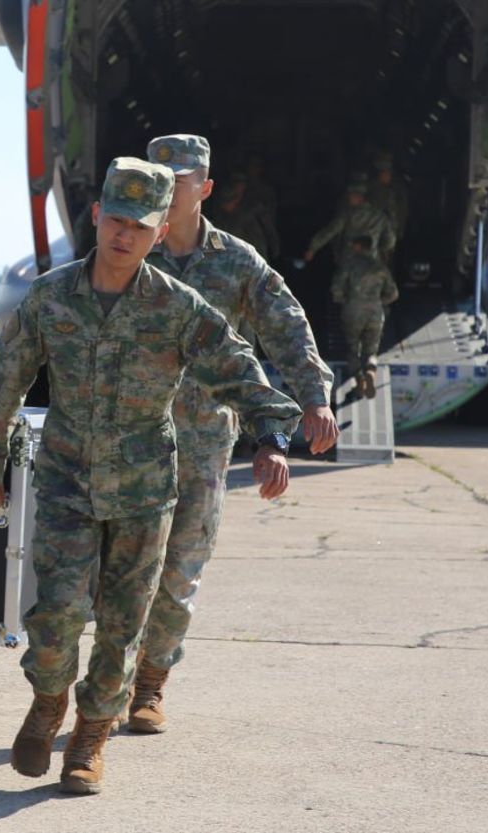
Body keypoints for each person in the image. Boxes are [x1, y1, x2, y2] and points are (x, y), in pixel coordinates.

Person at [0, 158, 302, 795]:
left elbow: (237, 367)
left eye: (141, 226)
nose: (125, 235)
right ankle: (48, 701)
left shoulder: (178, 307)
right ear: (97, 216)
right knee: (56, 614)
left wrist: (271, 436)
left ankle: (90, 738)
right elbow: (2, 384)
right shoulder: (51, 297)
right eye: (116, 220)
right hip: (65, 481)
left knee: (123, 623)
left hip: (146, 491)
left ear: (159, 229)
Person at [133, 134, 337, 735]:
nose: (172, 188)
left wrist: (314, 398)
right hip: (128, 439)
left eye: (184, 178)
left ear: (207, 187)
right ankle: (108, 681)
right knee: (118, 571)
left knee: (179, 571)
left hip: (202, 443)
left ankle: (149, 685)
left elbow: (286, 326)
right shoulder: (125, 251)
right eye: (161, 177)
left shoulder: (236, 261)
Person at [332, 235, 400, 398]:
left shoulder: (349, 265)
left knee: (353, 347)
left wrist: (343, 300)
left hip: (354, 309)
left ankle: (360, 381)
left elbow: (336, 290)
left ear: (358, 247)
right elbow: (393, 294)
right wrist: (378, 301)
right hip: (375, 310)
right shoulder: (381, 267)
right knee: (372, 349)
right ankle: (371, 371)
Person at [304, 180, 395, 269]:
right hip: (371, 262)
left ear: (360, 197)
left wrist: (313, 248)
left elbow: (330, 232)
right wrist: (376, 248)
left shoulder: (347, 214)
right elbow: (390, 241)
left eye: (351, 195)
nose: (348, 198)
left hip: (348, 262)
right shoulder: (380, 216)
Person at [204, 171, 277, 263]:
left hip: (252, 257)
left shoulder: (254, 207)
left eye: (242, 181)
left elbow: (268, 228)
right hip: (229, 259)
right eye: (237, 181)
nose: (239, 184)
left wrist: (274, 246)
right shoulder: (217, 222)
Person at [369, 151, 408, 259]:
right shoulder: (371, 189)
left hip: (388, 235)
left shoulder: (395, 187)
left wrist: (399, 230)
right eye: (386, 171)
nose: (389, 175)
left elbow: (401, 210)